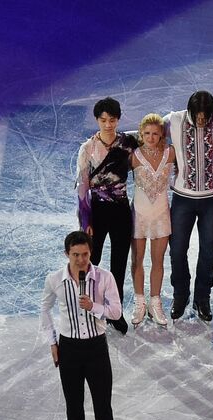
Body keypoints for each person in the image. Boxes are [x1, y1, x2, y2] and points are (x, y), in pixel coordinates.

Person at [40, 230, 127, 420]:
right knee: (73, 404)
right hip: (69, 350)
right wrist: (52, 342)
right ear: (67, 254)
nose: (81, 260)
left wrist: (94, 307)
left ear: (91, 253)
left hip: (96, 349)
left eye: (85, 254)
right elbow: (44, 309)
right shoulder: (55, 279)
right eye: (76, 255)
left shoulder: (104, 278)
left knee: (103, 405)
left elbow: (116, 312)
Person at [160, 91, 213, 322]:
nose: (201, 121)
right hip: (182, 199)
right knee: (177, 250)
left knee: (208, 250)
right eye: (198, 116)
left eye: (206, 117)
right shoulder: (174, 120)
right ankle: (180, 294)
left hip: (212, 200)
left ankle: (202, 297)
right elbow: (149, 129)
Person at [76, 97, 138, 335]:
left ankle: (115, 311)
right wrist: (85, 221)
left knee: (119, 264)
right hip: (97, 211)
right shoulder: (88, 148)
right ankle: (86, 307)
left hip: (122, 210)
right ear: (97, 120)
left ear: (118, 119)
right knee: (92, 262)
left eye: (112, 120)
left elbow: (152, 132)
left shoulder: (128, 142)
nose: (108, 125)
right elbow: (82, 188)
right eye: (103, 120)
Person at [129, 113, 175, 327]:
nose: (150, 137)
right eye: (146, 133)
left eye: (155, 133)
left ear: (161, 134)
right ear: (141, 134)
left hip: (161, 214)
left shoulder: (171, 152)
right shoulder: (133, 155)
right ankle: (140, 302)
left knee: (158, 261)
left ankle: (155, 302)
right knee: (137, 260)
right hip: (138, 214)